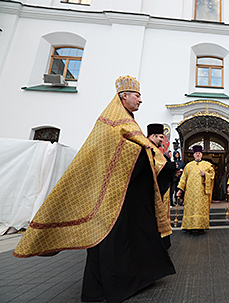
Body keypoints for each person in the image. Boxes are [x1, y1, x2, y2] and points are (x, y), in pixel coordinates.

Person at [13, 76, 176, 302]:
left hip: (126, 195)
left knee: (123, 237)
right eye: (136, 95)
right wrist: (147, 154)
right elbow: (116, 154)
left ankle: (115, 285)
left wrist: (154, 158)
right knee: (111, 240)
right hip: (111, 197)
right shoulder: (112, 122)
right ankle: (114, 287)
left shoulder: (127, 121)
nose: (141, 100)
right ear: (124, 96)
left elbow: (137, 151)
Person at [147, 123, 181, 248]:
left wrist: (173, 172)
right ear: (152, 136)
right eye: (161, 137)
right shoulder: (150, 149)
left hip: (161, 190)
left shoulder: (155, 149)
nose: (162, 140)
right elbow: (157, 168)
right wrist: (171, 167)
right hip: (154, 190)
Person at [176, 145, 215, 234]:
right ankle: (189, 226)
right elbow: (183, 178)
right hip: (190, 193)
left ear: (202, 154)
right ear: (193, 155)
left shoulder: (207, 165)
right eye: (196, 153)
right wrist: (180, 190)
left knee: (200, 209)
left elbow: (212, 176)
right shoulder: (188, 166)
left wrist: (205, 174)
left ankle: (201, 226)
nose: (198, 155)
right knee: (191, 209)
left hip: (202, 193)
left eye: (199, 153)